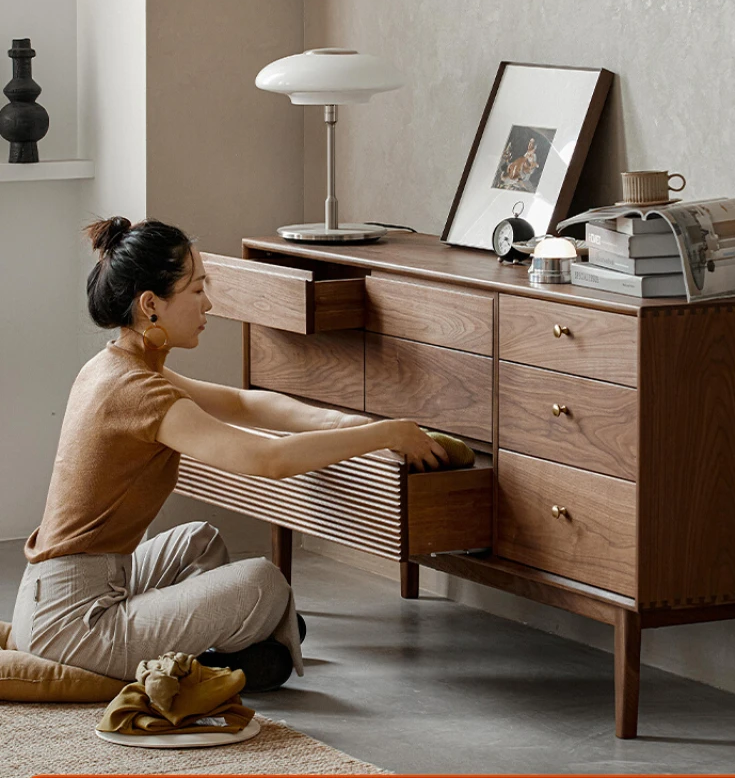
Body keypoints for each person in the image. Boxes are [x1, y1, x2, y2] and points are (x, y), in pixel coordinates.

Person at [11, 216, 449, 692]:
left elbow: (244, 403)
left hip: (60, 593)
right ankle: (240, 645)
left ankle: (242, 645)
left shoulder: (119, 365)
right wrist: (384, 437)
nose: (209, 303)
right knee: (263, 580)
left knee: (198, 541)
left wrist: (352, 424)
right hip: (78, 622)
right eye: (197, 291)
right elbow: (269, 461)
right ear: (151, 304)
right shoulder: (140, 392)